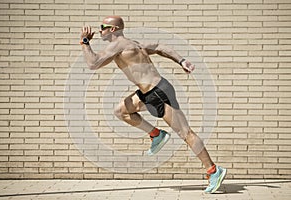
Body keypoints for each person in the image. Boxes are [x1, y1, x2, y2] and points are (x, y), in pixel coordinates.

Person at [80, 16, 226, 193]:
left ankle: (213, 170)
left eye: (103, 27)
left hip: (158, 92)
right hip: (147, 93)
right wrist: (181, 61)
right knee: (121, 111)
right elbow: (159, 47)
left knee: (186, 133)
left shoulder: (117, 45)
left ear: (112, 29)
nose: (99, 30)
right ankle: (156, 135)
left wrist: (85, 42)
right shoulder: (133, 44)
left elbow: (92, 63)